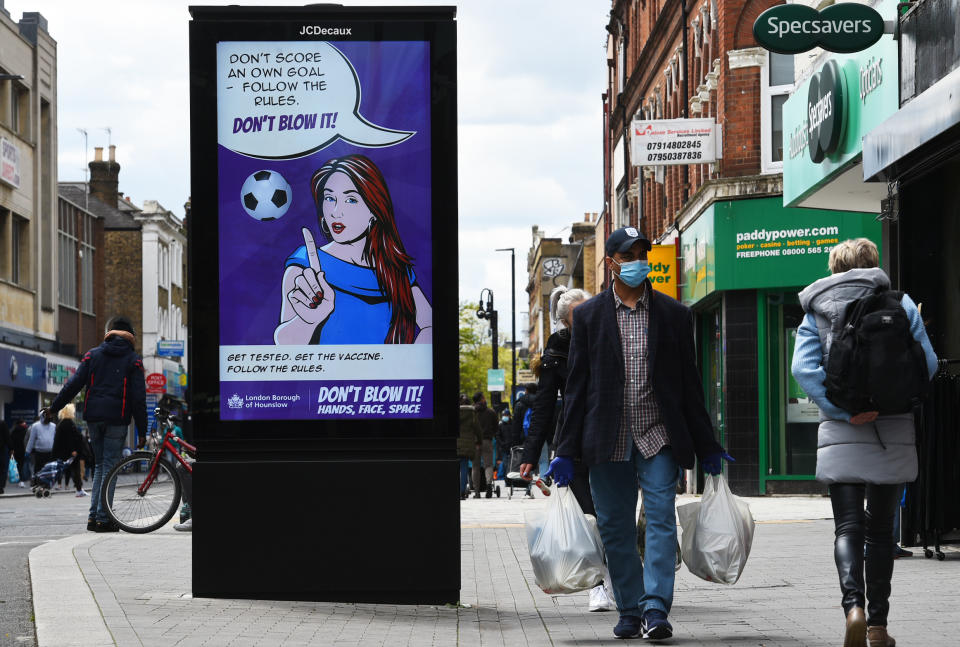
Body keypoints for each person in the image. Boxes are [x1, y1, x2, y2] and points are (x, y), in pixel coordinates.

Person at [549, 227, 731, 641]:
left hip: (659, 435)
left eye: (642, 253)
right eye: (628, 255)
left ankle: (655, 609)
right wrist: (564, 449)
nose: (637, 261)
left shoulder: (674, 314)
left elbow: (690, 386)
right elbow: (577, 387)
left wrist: (708, 445)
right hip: (606, 438)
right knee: (615, 527)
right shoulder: (590, 317)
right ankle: (629, 608)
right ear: (611, 262)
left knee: (661, 522)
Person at [791, 238, 936, 647]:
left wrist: (841, 411)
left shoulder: (814, 308)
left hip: (842, 431)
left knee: (848, 527)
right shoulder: (900, 304)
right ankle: (877, 627)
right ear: (874, 264)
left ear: (834, 267)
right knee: (880, 534)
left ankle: (852, 606)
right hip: (891, 430)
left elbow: (802, 369)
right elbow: (927, 363)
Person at [519, 286, 617, 613]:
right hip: (574, 443)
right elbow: (545, 407)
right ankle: (599, 585)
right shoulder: (557, 349)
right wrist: (530, 455)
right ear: (565, 322)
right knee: (590, 517)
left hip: (614, 436)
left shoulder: (612, 334)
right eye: (579, 316)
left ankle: (622, 578)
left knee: (613, 514)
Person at [274, 154, 432, 345]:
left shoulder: (396, 269)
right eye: (330, 198)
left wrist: (405, 365)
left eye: (350, 200)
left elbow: (429, 325)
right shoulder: (305, 264)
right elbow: (284, 347)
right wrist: (309, 321)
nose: (335, 211)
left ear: (375, 209)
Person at [47, 316, 148, 533]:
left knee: (102, 466)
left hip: (94, 418)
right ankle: (104, 518)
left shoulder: (92, 355)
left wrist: (55, 408)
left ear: (110, 333)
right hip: (117, 419)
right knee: (110, 467)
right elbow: (139, 399)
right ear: (131, 336)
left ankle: (94, 517)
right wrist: (142, 430)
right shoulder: (134, 360)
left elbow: (73, 385)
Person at [52, 404, 86, 497]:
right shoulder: (68, 424)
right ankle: (79, 489)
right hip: (70, 452)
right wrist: (73, 450)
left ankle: (79, 489)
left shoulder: (62, 424)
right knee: (75, 471)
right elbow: (71, 439)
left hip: (64, 452)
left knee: (70, 471)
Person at [472, 392, 498, 498]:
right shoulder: (491, 412)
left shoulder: (472, 412)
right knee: (488, 465)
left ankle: (477, 492)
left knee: (475, 467)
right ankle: (488, 486)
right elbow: (496, 427)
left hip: (474, 442)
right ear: (482, 399)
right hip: (487, 440)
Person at [457, 394, 482, 500]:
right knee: (464, 468)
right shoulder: (472, 413)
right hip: (467, 445)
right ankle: (462, 492)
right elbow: (478, 429)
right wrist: (479, 441)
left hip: (455, 443)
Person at [25, 412, 56, 479]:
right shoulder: (35, 426)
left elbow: (55, 439)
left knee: (48, 470)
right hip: (39, 452)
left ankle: (45, 485)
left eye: (50, 416)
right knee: (38, 470)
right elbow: (31, 439)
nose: (49, 417)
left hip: (50, 452)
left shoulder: (53, 426)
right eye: (47, 416)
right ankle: (37, 484)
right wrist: (28, 450)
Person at [511, 382, 538, 448]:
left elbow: (516, 424)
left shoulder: (519, 404)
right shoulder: (541, 403)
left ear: (526, 391)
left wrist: (515, 441)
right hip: (539, 437)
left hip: (523, 438)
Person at [11, 419, 28, 487]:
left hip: (16, 451)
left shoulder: (13, 431)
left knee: (18, 465)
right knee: (23, 465)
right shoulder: (25, 430)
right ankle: (22, 480)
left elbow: (11, 441)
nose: (25, 423)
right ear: (21, 423)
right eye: (23, 422)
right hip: (24, 450)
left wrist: (11, 450)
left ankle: (19, 479)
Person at [0, 419, 11, 495]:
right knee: (2, 468)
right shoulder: (2, 423)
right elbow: (7, 437)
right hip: (1, 449)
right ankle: (0, 487)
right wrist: (11, 448)